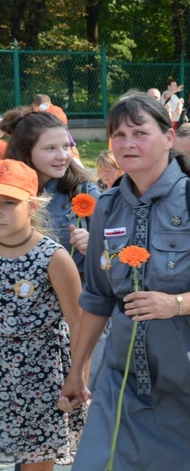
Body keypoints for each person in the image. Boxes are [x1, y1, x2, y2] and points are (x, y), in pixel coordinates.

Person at [56, 92, 190, 470]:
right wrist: (78, 371)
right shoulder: (107, 207)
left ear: (169, 137)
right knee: (99, 460)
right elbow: (98, 298)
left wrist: (176, 304)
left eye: (139, 133)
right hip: (125, 372)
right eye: (118, 135)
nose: (127, 144)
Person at [0, 159, 85, 469]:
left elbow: (77, 321)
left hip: (41, 375)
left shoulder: (52, 257)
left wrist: (78, 376)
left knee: (36, 460)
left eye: (9, 202)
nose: (0, 210)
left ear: (33, 205)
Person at [1, 109, 100, 275]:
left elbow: (118, 250)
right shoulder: (6, 189)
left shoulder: (84, 191)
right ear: (26, 151)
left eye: (66, 146)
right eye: (50, 148)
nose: (62, 156)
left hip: (72, 294)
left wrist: (96, 246)